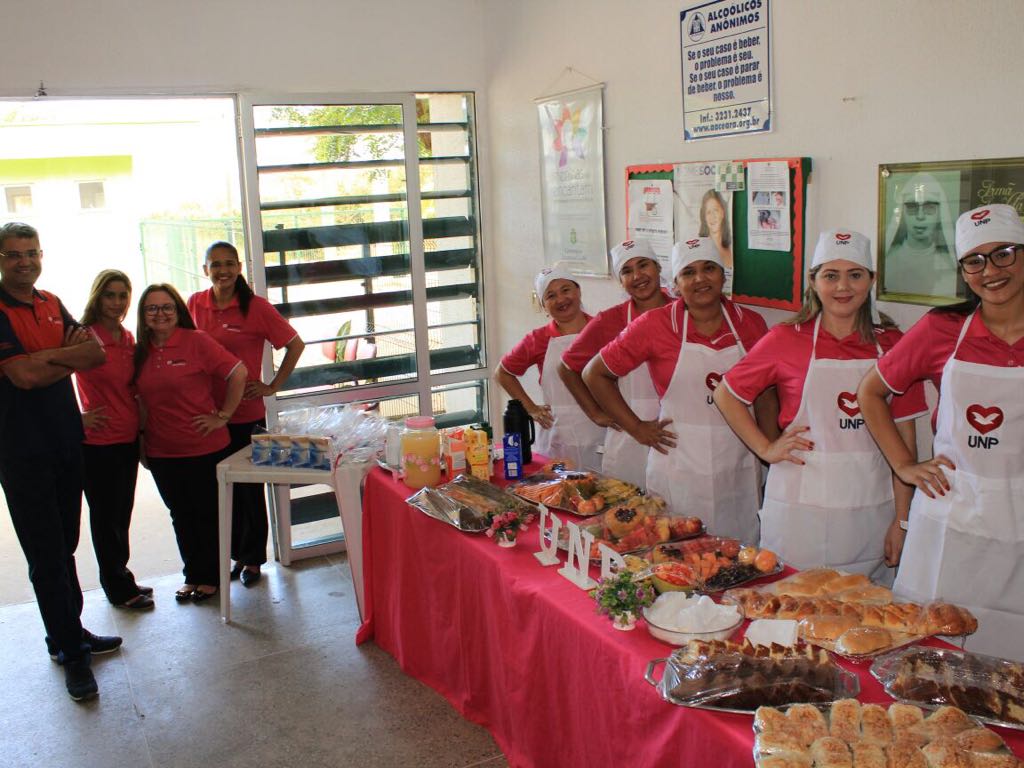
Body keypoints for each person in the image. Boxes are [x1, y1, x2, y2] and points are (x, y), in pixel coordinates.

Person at [859, 204, 1024, 660]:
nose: (990, 271)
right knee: (926, 654)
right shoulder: (940, 330)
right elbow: (871, 392)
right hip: (949, 520)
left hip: (1018, 522)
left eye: (1004, 254)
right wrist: (905, 465)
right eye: (975, 260)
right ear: (963, 271)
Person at [714, 230, 927, 582]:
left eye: (855, 275)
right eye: (831, 275)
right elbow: (727, 393)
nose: (843, 287)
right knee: (788, 609)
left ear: (871, 280)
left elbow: (907, 440)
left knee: (864, 613)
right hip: (799, 513)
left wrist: (902, 521)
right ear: (813, 282)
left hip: (870, 510)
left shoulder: (893, 345)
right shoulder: (786, 339)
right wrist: (766, 449)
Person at [0, 222, 121, 701]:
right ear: (1, 259)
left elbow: (96, 353)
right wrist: (63, 356)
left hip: (67, 442)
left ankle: (68, 632)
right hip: (21, 450)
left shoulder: (51, 302)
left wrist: (47, 357)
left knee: (66, 543)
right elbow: (25, 377)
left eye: (31, 253)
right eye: (13, 255)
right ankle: (72, 654)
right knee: (46, 554)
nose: (24, 262)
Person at [584, 238, 773, 541]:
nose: (700, 279)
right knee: (678, 552)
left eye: (709, 268)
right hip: (679, 462)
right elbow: (594, 373)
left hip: (739, 460)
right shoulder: (655, 325)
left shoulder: (750, 323)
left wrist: (769, 449)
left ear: (723, 275)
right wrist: (636, 428)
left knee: (739, 553)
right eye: (688, 272)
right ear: (675, 282)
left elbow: (765, 392)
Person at [188, 241, 304, 587]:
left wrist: (272, 385)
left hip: (245, 415)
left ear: (239, 267)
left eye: (228, 264)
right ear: (205, 269)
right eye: (215, 265)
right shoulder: (195, 304)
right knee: (217, 491)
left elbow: (295, 344)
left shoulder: (255, 307)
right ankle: (230, 555)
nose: (222, 271)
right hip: (207, 415)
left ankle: (252, 560)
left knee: (249, 493)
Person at [134, 283, 246, 603]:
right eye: (152, 308)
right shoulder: (140, 350)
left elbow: (238, 373)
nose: (160, 314)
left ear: (177, 310)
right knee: (179, 514)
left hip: (204, 447)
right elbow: (141, 401)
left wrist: (223, 415)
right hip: (161, 450)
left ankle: (213, 576)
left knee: (206, 513)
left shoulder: (196, 341)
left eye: (167, 306)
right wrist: (142, 442)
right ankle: (193, 574)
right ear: (143, 315)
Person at [557, 239, 670, 486]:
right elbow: (566, 367)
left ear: (658, 267)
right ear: (620, 281)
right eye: (627, 271)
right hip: (630, 436)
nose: (638, 276)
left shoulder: (682, 312)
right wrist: (595, 413)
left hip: (673, 433)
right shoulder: (610, 320)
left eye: (643, 265)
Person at [76, 270, 152, 611]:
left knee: (122, 513)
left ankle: (123, 575)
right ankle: (117, 588)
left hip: (126, 439)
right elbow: (51, 374)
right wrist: (74, 419)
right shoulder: (82, 337)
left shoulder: (125, 338)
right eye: (110, 295)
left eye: (123, 295)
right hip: (98, 443)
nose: (118, 302)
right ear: (98, 297)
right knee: (106, 518)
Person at [495, 263, 605, 471]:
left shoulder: (603, 328)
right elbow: (502, 373)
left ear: (578, 290)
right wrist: (531, 408)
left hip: (601, 429)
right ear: (544, 305)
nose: (561, 299)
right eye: (551, 296)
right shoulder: (538, 339)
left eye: (566, 290)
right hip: (558, 435)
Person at [883, 172, 959, 298]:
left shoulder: (949, 266)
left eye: (929, 208)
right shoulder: (889, 262)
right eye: (912, 207)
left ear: (939, 214)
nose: (920, 216)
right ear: (902, 214)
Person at [698, 189, 734, 289]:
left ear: (723, 212)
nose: (712, 217)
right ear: (704, 217)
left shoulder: (733, 247)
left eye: (716, 210)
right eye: (708, 212)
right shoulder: (698, 251)